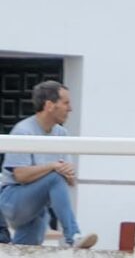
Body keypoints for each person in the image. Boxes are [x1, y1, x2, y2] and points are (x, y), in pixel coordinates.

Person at [0, 81, 97, 248]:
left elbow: (69, 181)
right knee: (54, 178)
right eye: (66, 103)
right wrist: (53, 167)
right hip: (12, 200)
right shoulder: (23, 131)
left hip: (37, 208)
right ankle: (73, 236)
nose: (70, 109)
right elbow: (20, 175)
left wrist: (66, 173)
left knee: (23, 254)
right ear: (50, 105)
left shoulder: (61, 133)